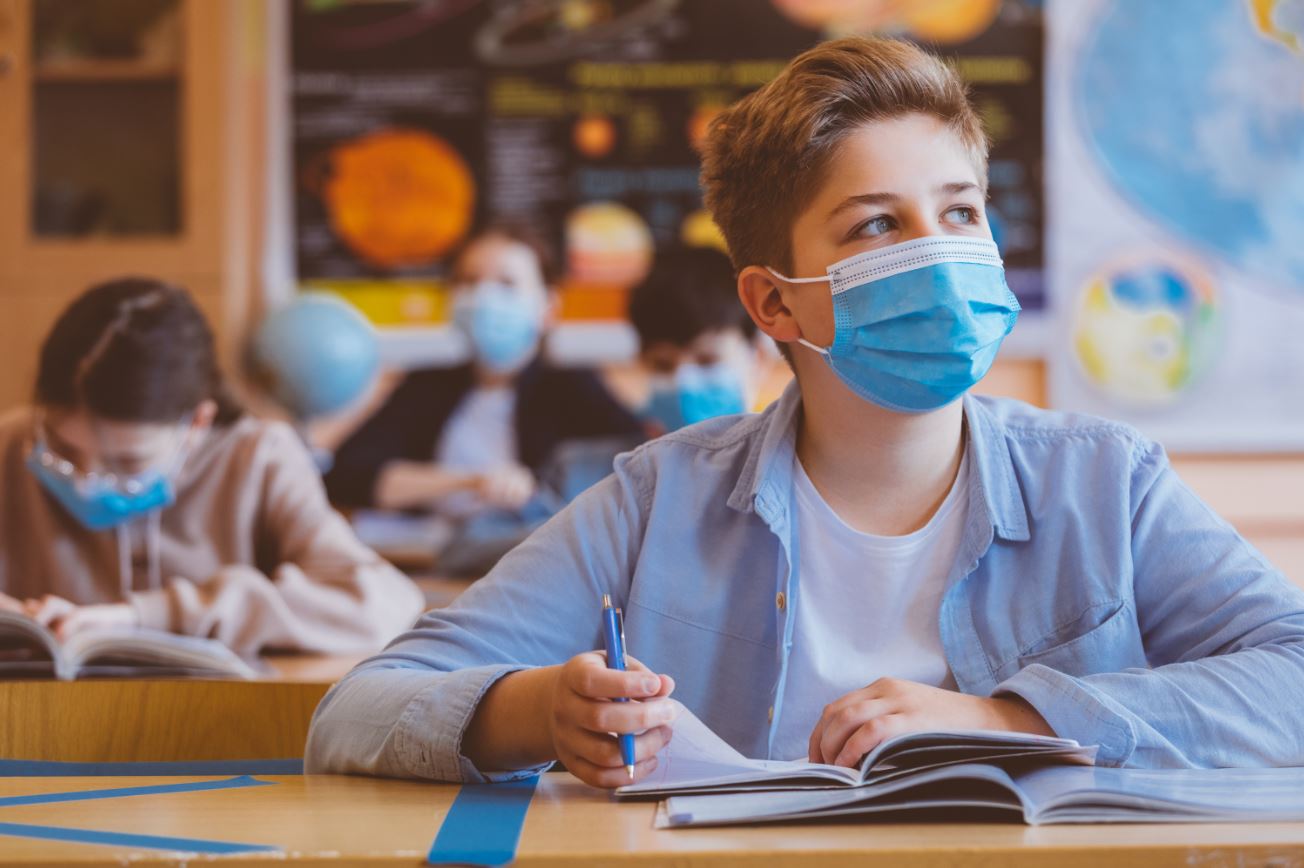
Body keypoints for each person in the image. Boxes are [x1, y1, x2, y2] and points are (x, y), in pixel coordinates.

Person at [306, 37, 1304, 786]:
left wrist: (1010, 719)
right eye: (877, 224)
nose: (940, 252)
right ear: (772, 302)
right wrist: (534, 712)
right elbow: (353, 712)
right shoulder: (657, 502)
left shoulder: (1103, 482)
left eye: (958, 212)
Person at [0, 278, 424, 658]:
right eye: (63, 449)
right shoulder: (12, 442)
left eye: (128, 462)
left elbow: (378, 603)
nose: (87, 480)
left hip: (215, 735)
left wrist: (147, 616)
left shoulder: (257, 456)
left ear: (197, 423)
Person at [323, 223, 644, 518]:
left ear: (548, 307)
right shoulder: (425, 386)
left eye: (506, 283)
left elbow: (635, 467)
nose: (483, 297)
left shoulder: (572, 386)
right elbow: (347, 474)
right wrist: (469, 481)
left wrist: (533, 486)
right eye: (468, 281)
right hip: (430, 562)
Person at [628, 245, 769, 435]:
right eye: (663, 365)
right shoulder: (620, 462)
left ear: (758, 357)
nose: (683, 382)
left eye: (707, 361)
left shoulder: (800, 459)